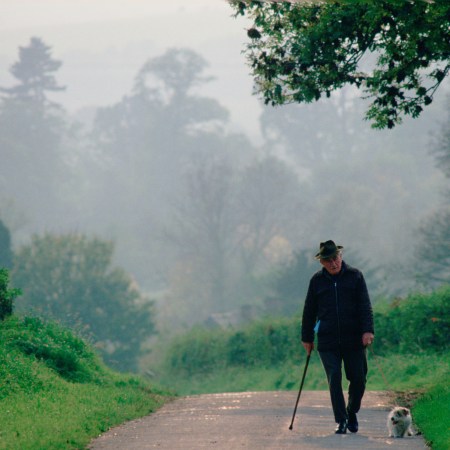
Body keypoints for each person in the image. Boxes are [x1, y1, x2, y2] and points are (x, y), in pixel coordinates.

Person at [301, 240, 374, 434]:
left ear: (340, 256)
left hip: (354, 338)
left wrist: (368, 330)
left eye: (335, 258)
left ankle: (351, 411)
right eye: (328, 260)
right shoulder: (316, 281)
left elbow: (365, 305)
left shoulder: (355, 276)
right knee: (334, 377)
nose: (333, 263)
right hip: (327, 340)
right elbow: (309, 311)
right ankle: (341, 419)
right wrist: (307, 338)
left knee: (358, 378)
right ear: (322, 263)